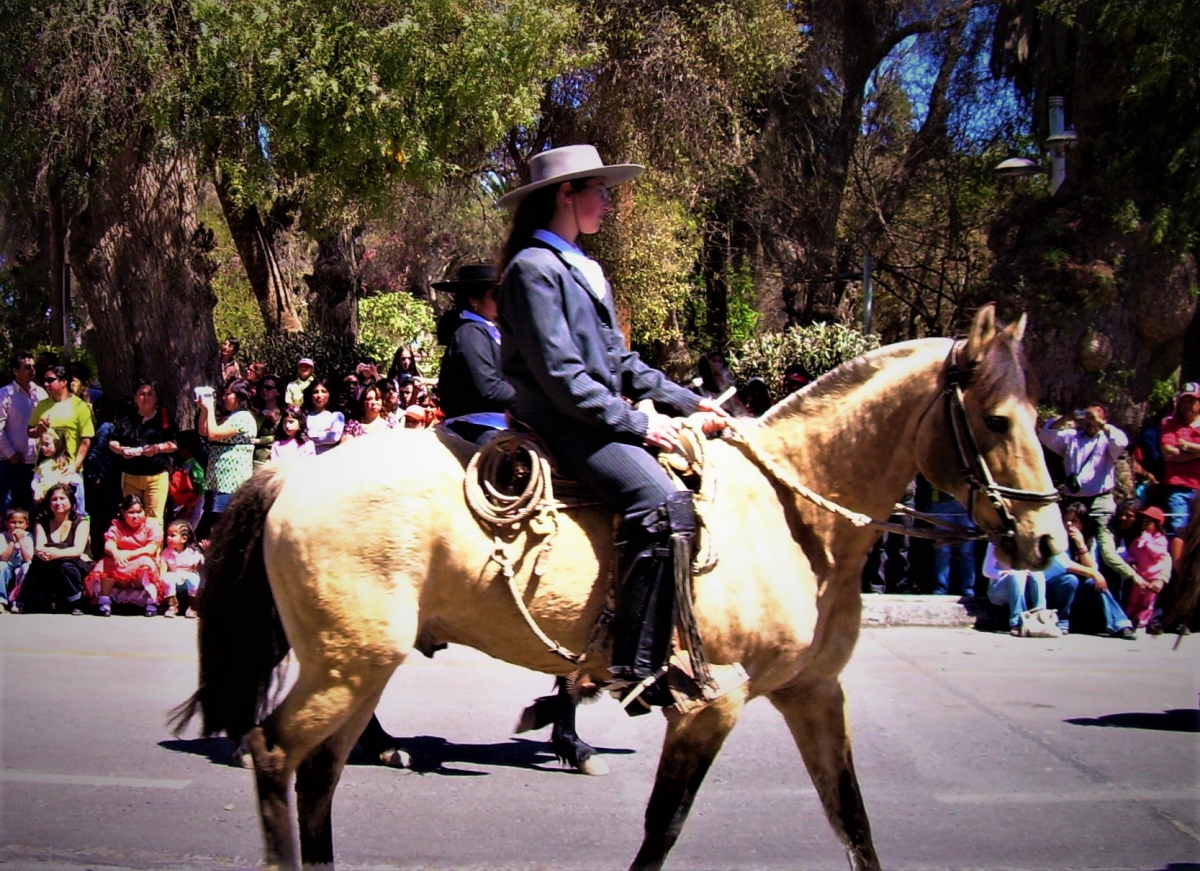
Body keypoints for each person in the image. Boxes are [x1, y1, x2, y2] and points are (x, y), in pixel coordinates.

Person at [495, 144, 730, 712]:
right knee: (660, 499)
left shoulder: (580, 268)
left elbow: (620, 363)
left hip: (592, 412)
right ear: (565, 194)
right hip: (563, 420)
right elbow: (563, 376)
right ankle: (636, 664)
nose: (607, 201)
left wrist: (690, 402)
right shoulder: (532, 269)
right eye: (598, 190)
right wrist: (638, 426)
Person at [1038, 405, 1140, 597]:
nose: (1091, 423)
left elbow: (1122, 441)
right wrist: (1068, 415)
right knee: (1066, 544)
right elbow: (1047, 434)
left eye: (1095, 419)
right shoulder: (1071, 437)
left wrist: (1100, 423)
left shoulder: (1107, 439)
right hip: (1074, 501)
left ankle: (1125, 582)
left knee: (1105, 548)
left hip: (1100, 500)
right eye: (1088, 419)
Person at [434, 263, 515, 444]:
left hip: (500, 423)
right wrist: (530, 396)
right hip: (478, 425)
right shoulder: (471, 333)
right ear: (474, 300)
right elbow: (489, 388)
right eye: (495, 295)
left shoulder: (491, 332)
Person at [1044, 502, 1135, 638]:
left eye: (1074, 521)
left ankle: (1120, 624)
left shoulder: (1089, 541)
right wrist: (1093, 573)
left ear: (1082, 524)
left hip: (1077, 592)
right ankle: (1062, 622)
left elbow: (1092, 568)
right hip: (1054, 588)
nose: (1069, 524)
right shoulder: (1055, 539)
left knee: (1094, 583)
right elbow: (1065, 565)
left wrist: (1081, 546)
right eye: (1066, 520)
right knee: (1071, 579)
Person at [11, 483, 90, 614]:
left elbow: (77, 550)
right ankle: (24, 602)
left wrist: (56, 553)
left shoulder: (81, 523)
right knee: (38, 562)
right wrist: (45, 554)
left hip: (76, 563)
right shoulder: (42, 522)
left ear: (71, 501)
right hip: (50, 560)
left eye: (62, 498)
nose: (58, 502)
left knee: (65, 565)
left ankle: (76, 602)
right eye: (54, 499)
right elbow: (39, 547)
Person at [85, 494, 166, 616]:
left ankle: (150, 602)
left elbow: (151, 549)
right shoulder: (117, 525)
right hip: (120, 564)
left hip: (140, 562)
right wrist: (116, 553)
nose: (136, 516)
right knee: (106, 561)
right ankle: (104, 601)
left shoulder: (152, 525)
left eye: (139, 512)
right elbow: (109, 545)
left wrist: (127, 554)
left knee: (146, 561)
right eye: (131, 512)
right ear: (123, 512)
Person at [196, 379, 257, 539]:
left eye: (228, 394)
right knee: (210, 524)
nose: (223, 397)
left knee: (218, 526)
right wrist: (204, 409)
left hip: (230, 484)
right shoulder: (231, 417)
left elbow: (214, 434)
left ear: (240, 396)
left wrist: (210, 408)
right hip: (217, 482)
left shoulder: (243, 417)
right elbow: (204, 431)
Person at [108, 380, 178, 520]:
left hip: (156, 477)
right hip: (130, 477)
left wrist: (157, 448)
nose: (146, 398)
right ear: (135, 398)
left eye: (150, 394)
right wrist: (122, 450)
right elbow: (112, 442)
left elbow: (175, 444)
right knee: (132, 517)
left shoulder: (164, 419)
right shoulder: (127, 418)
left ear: (156, 399)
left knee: (154, 518)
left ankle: (154, 543)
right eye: (142, 394)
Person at [0, 351, 48, 512]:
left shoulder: (41, 393)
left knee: (32, 508)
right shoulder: (4, 394)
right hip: (9, 463)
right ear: (15, 371)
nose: (32, 370)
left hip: (34, 462)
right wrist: (11, 454)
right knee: (8, 509)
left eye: (34, 366)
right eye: (27, 367)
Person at [28, 364, 94, 480]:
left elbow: (86, 439)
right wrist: (39, 430)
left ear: (64, 382)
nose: (46, 384)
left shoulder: (80, 406)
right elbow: (29, 432)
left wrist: (75, 465)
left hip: (69, 471)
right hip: (45, 470)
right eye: (45, 381)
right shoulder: (42, 405)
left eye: (51, 380)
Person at [1160, 382, 1199, 539]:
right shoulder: (1169, 423)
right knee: (1179, 529)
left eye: (1192, 400)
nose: (1187, 404)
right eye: (1184, 400)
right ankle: (1178, 563)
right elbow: (1168, 454)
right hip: (1178, 486)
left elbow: (1178, 453)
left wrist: (1187, 445)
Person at [982, 541, 1046, 635]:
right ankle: (1017, 622)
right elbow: (986, 571)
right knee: (1016, 574)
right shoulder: (995, 544)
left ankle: (1041, 618)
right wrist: (1003, 573)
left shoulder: (1027, 543)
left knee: (1038, 574)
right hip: (999, 590)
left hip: (1022, 587)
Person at [1125, 506, 1171, 630]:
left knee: (1147, 601)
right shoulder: (1138, 539)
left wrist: (1148, 542)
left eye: (1149, 522)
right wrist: (1132, 561)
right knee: (1134, 598)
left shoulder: (1160, 540)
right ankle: (1129, 618)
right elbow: (1132, 552)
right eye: (1144, 522)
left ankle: (1142, 621)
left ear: (1157, 524)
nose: (1145, 525)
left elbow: (1159, 553)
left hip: (1153, 576)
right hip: (1140, 575)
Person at [31, 429, 86, 515]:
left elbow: (77, 480)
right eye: (42, 444)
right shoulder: (41, 464)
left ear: (57, 444)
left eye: (47, 444)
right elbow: (35, 480)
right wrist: (37, 490)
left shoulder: (65, 462)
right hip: (45, 501)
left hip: (61, 502)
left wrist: (69, 478)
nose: (43, 447)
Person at [160, 519, 204, 618]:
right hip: (174, 577)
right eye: (168, 535)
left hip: (187, 577)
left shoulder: (193, 552)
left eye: (172, 535)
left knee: (195, 579)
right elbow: (162, 570)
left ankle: (193, 606)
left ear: (184, 539)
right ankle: (172, 605)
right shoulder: (167, 552)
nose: (168, 538)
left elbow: (198, 571)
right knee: (167, 578)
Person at [0, 507, 34, 610]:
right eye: (13, 522)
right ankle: (1, 601)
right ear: (6, 523)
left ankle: (18, 601)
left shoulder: (29, 537)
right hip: (8, 565)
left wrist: (21, 541)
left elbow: (28, 559)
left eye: (20, 522)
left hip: (21, 565)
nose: (17, 526)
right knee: (1, 566)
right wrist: (12, 542)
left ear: (26, 524)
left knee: (27, 567)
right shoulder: (2, 536)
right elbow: (3, 559)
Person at [302, 378, 345, 454]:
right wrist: (325, 432)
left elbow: (333, 437)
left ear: (330, 394)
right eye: (315, 392)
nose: (319, 395)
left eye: (324, 391)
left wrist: (310, 434)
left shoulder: (337, 416)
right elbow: (301, 439)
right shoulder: (305, 416)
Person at [251, 375, 283, 467]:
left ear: (278, 392)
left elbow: (282, 437)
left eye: (268, 388)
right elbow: (251, 432)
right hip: (256, 459)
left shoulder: (285, 412)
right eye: (262, 387)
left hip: (278, 458)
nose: (264, 390)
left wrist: (261, 441)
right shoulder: (255, 411)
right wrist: (262, 415)